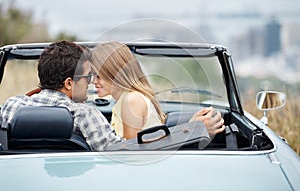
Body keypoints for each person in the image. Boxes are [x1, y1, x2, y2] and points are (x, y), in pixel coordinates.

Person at [1, 40, 122, 151]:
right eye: (87, 77)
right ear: (69, 83)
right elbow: (116, 153)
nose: (90, 82)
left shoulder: (12, 106)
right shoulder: (84, 114)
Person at [91, 41, 224, 139]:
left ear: (113, 72)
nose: (93, 81)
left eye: (98, 75)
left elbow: (132, 149)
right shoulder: (127, 99)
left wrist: (190, 130)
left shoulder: (131, 100)